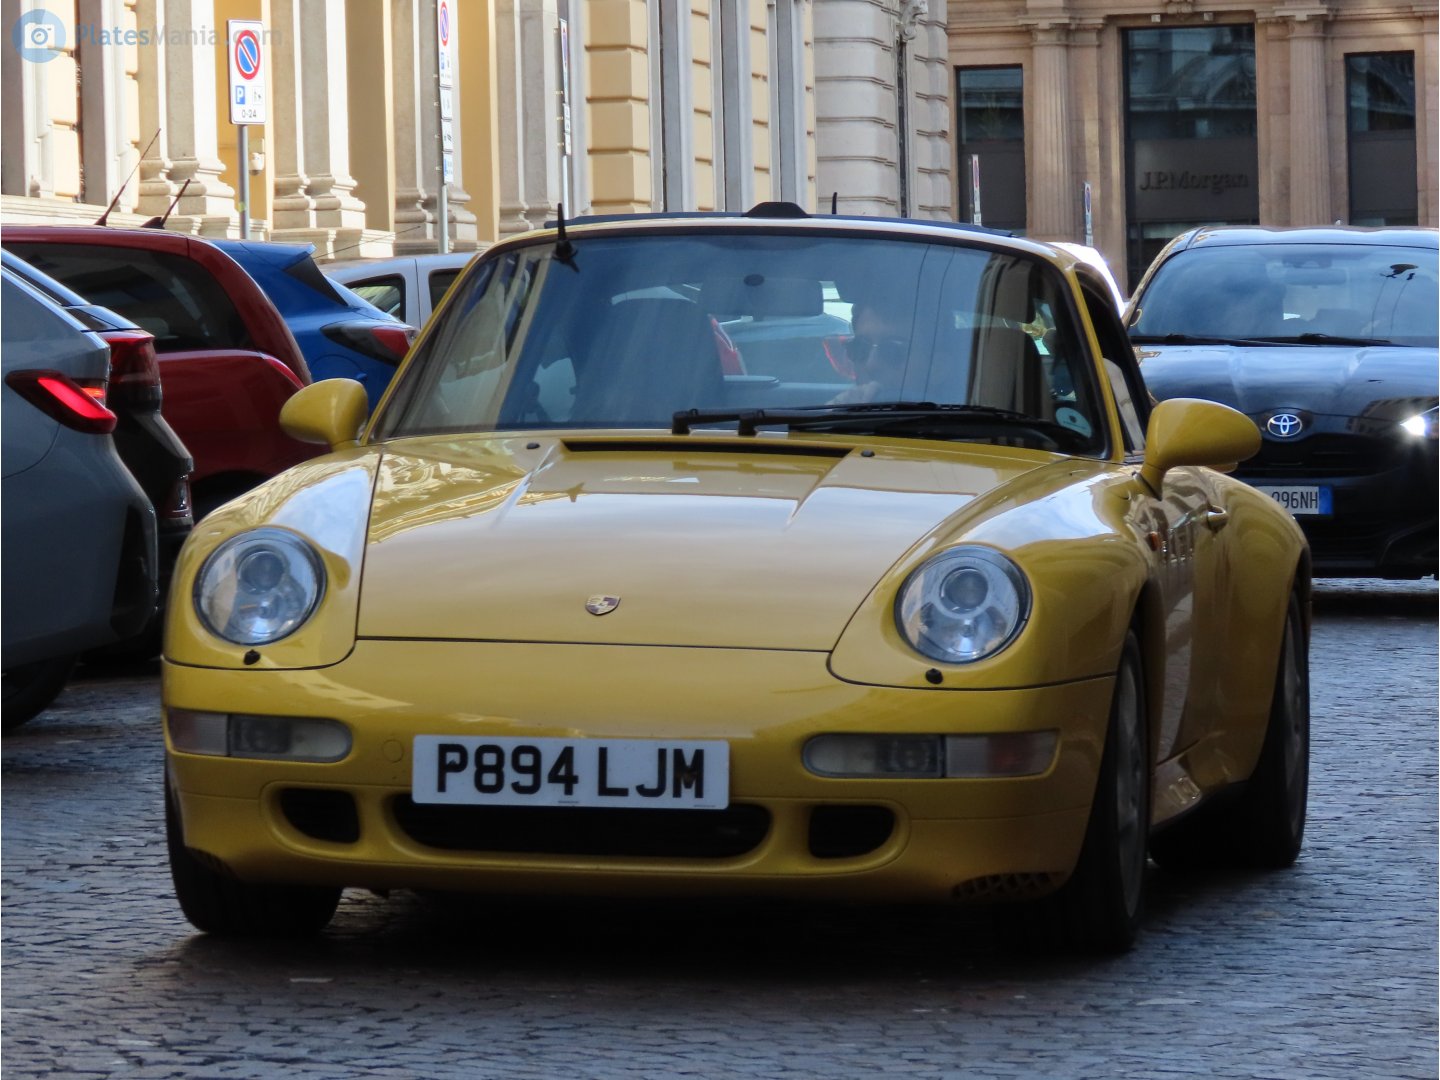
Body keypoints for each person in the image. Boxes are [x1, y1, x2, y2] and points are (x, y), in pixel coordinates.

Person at [829, 299, 911, 404]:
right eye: (860, 348)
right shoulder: (838, 412)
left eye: (892, 350)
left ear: (937, 364)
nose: (871, 364)